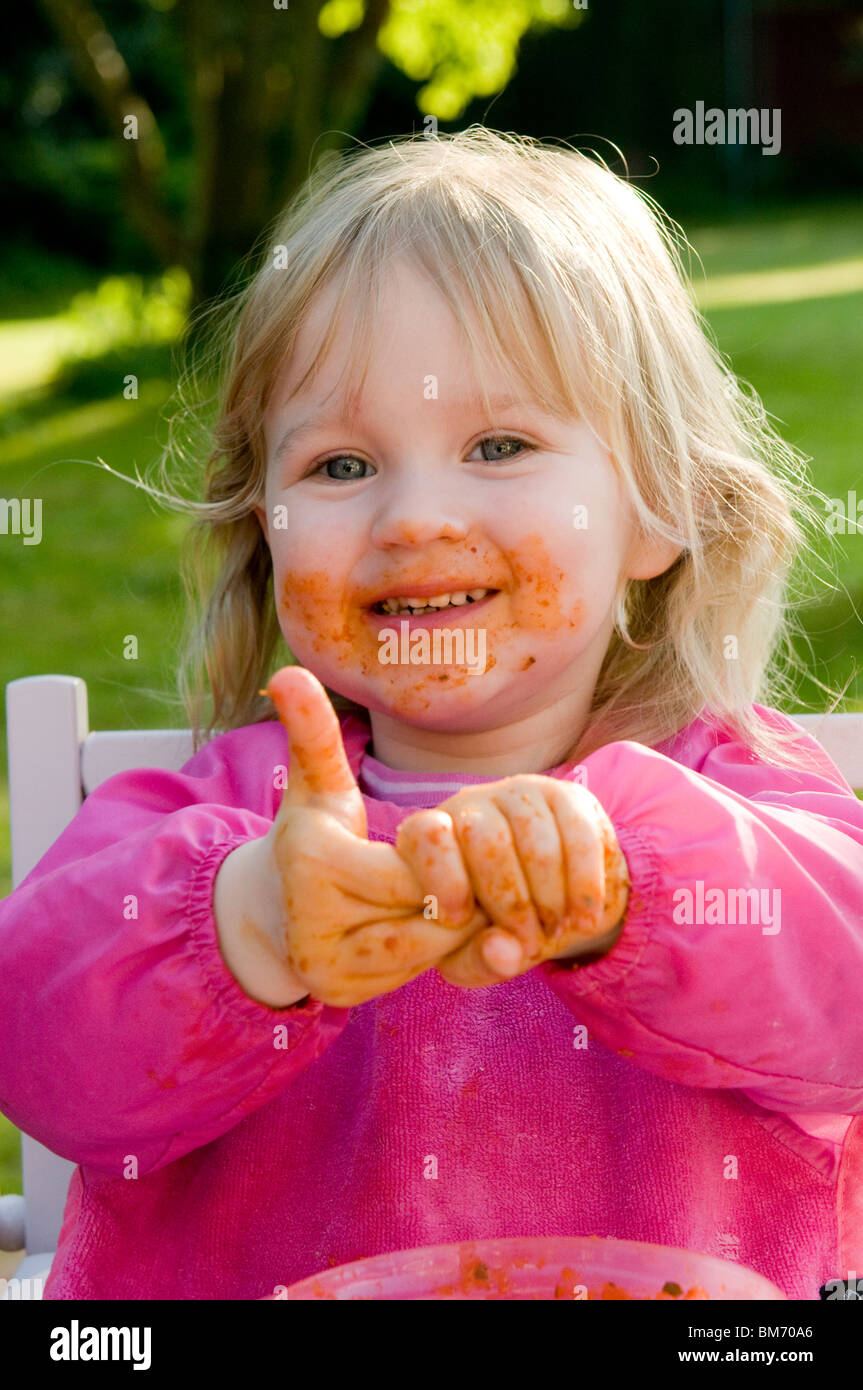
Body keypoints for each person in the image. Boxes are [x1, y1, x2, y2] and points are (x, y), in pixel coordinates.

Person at [1, 127, 861, 1301]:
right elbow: (39, 1051)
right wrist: (248, 927)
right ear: (265, 526)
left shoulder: (742, 800)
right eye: (341, 466)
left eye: (497, 444)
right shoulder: (208, 821)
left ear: (660, 509)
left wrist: (635, 886)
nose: (413, 515)